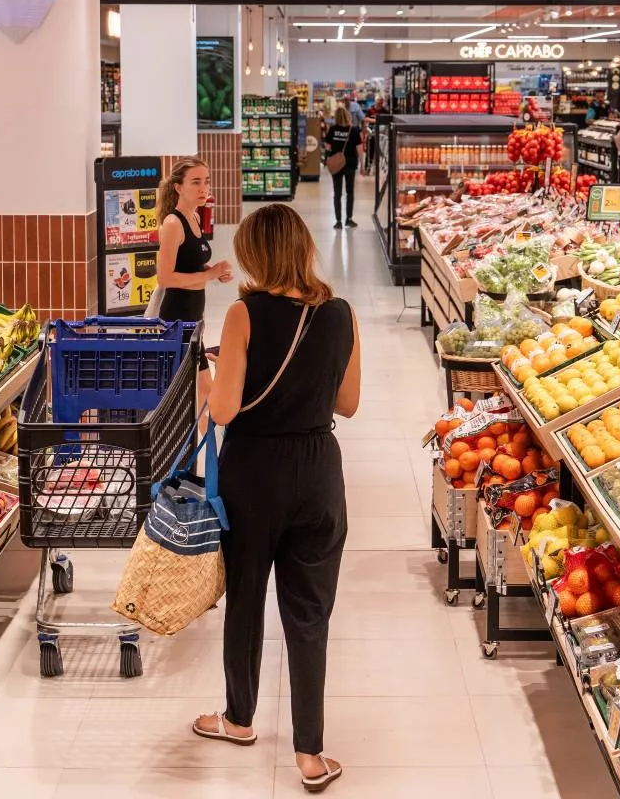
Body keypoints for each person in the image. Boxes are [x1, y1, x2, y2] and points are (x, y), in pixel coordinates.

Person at [194, 203, 360, 795]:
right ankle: (310, 755)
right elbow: (347, 404)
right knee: (309, 615)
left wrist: (207, 377)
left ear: (255, 255)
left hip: (254, 472)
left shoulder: (244, 314)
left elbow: (222, 411)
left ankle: (239, 719)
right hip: (319, 472)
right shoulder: (340, 314)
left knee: (246, 600)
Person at [153, 159, 232, 376]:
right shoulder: (172, 224)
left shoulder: (195, 217)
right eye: (196, 182)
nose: (203, 188)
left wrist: (212, 271)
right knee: (202, 391)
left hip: (193, 317)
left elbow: (189, 262)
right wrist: (210, 274)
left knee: (204, 392)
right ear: (178, 187)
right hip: (177, 320)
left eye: (206, 181)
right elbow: (165, 278)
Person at [324, 106, 359, 229]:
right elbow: (359, 148)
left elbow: (327, 147)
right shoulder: (353, 130)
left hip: (336, 164)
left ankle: (338, 221)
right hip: (350, 164)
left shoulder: (332, 129)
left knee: (337, 193)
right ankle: (349, 219)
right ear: (347, 115)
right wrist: (363, 164)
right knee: (350, 192)